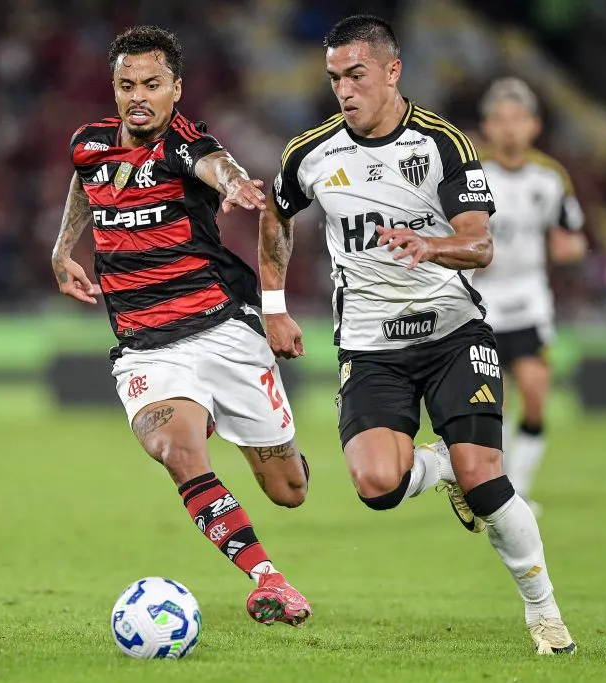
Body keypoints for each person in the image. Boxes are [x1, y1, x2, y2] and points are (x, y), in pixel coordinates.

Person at [258, 15, 575, 654]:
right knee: (376, 486)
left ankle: (543, 613)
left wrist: (430, 245)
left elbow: (480, 244)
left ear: (392, 72)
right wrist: (272, 305)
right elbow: (276, 215)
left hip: (454, 334)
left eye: (357, 75)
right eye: (334, 79)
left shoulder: (443, 144)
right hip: (372, 347)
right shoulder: (311, 154)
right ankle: (438, 466)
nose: (344, 90)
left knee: (486, 478)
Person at [51, 26, 311, 627]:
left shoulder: (184, 145)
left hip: (223, 332)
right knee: (176, 449)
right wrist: (63, 249)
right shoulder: (89, 144)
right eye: (126, 85)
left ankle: (245, 428)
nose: (138, 96)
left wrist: (237, 185)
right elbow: (85, 184)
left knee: (287, 489)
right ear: (113, 89)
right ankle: (268, 580)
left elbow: (218, 166)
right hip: (146, 350)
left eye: (151, 84)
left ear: (176, 90)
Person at [474, 78, 587, 513]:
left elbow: (572, 235)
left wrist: (568, 247)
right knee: (492, 399)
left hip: (529, 294)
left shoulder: (550, 176)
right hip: (482, 297)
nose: (509, 129)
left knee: (536, 391)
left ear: (534, 125)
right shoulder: (472, 172)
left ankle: (518, 485)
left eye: (517, 119)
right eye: (500, 119)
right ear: (487, 125)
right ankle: (496, 486)